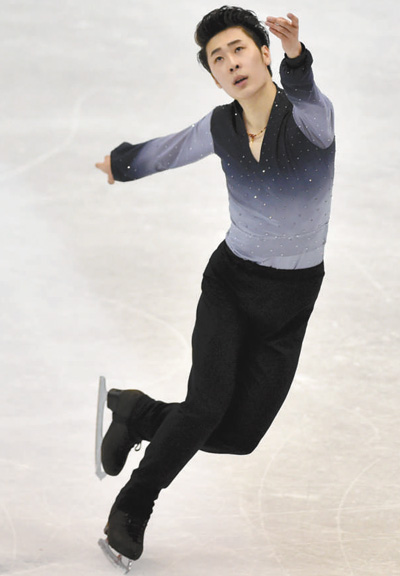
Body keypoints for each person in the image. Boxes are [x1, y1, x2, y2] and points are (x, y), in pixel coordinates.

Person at [95, 6, 335, 563]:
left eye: (239, 49)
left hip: (291, 300)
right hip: (231, 283)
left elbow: (305, 88)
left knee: (239, 436)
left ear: (264, 53)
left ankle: (140, 414)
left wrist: (297, 55)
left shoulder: (310, 121)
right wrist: (122, 164)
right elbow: (170, 148)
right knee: (205, 408)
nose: (231, 63)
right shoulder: (221, 126)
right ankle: (132, 507)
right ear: (214, 75)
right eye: (218, 58)